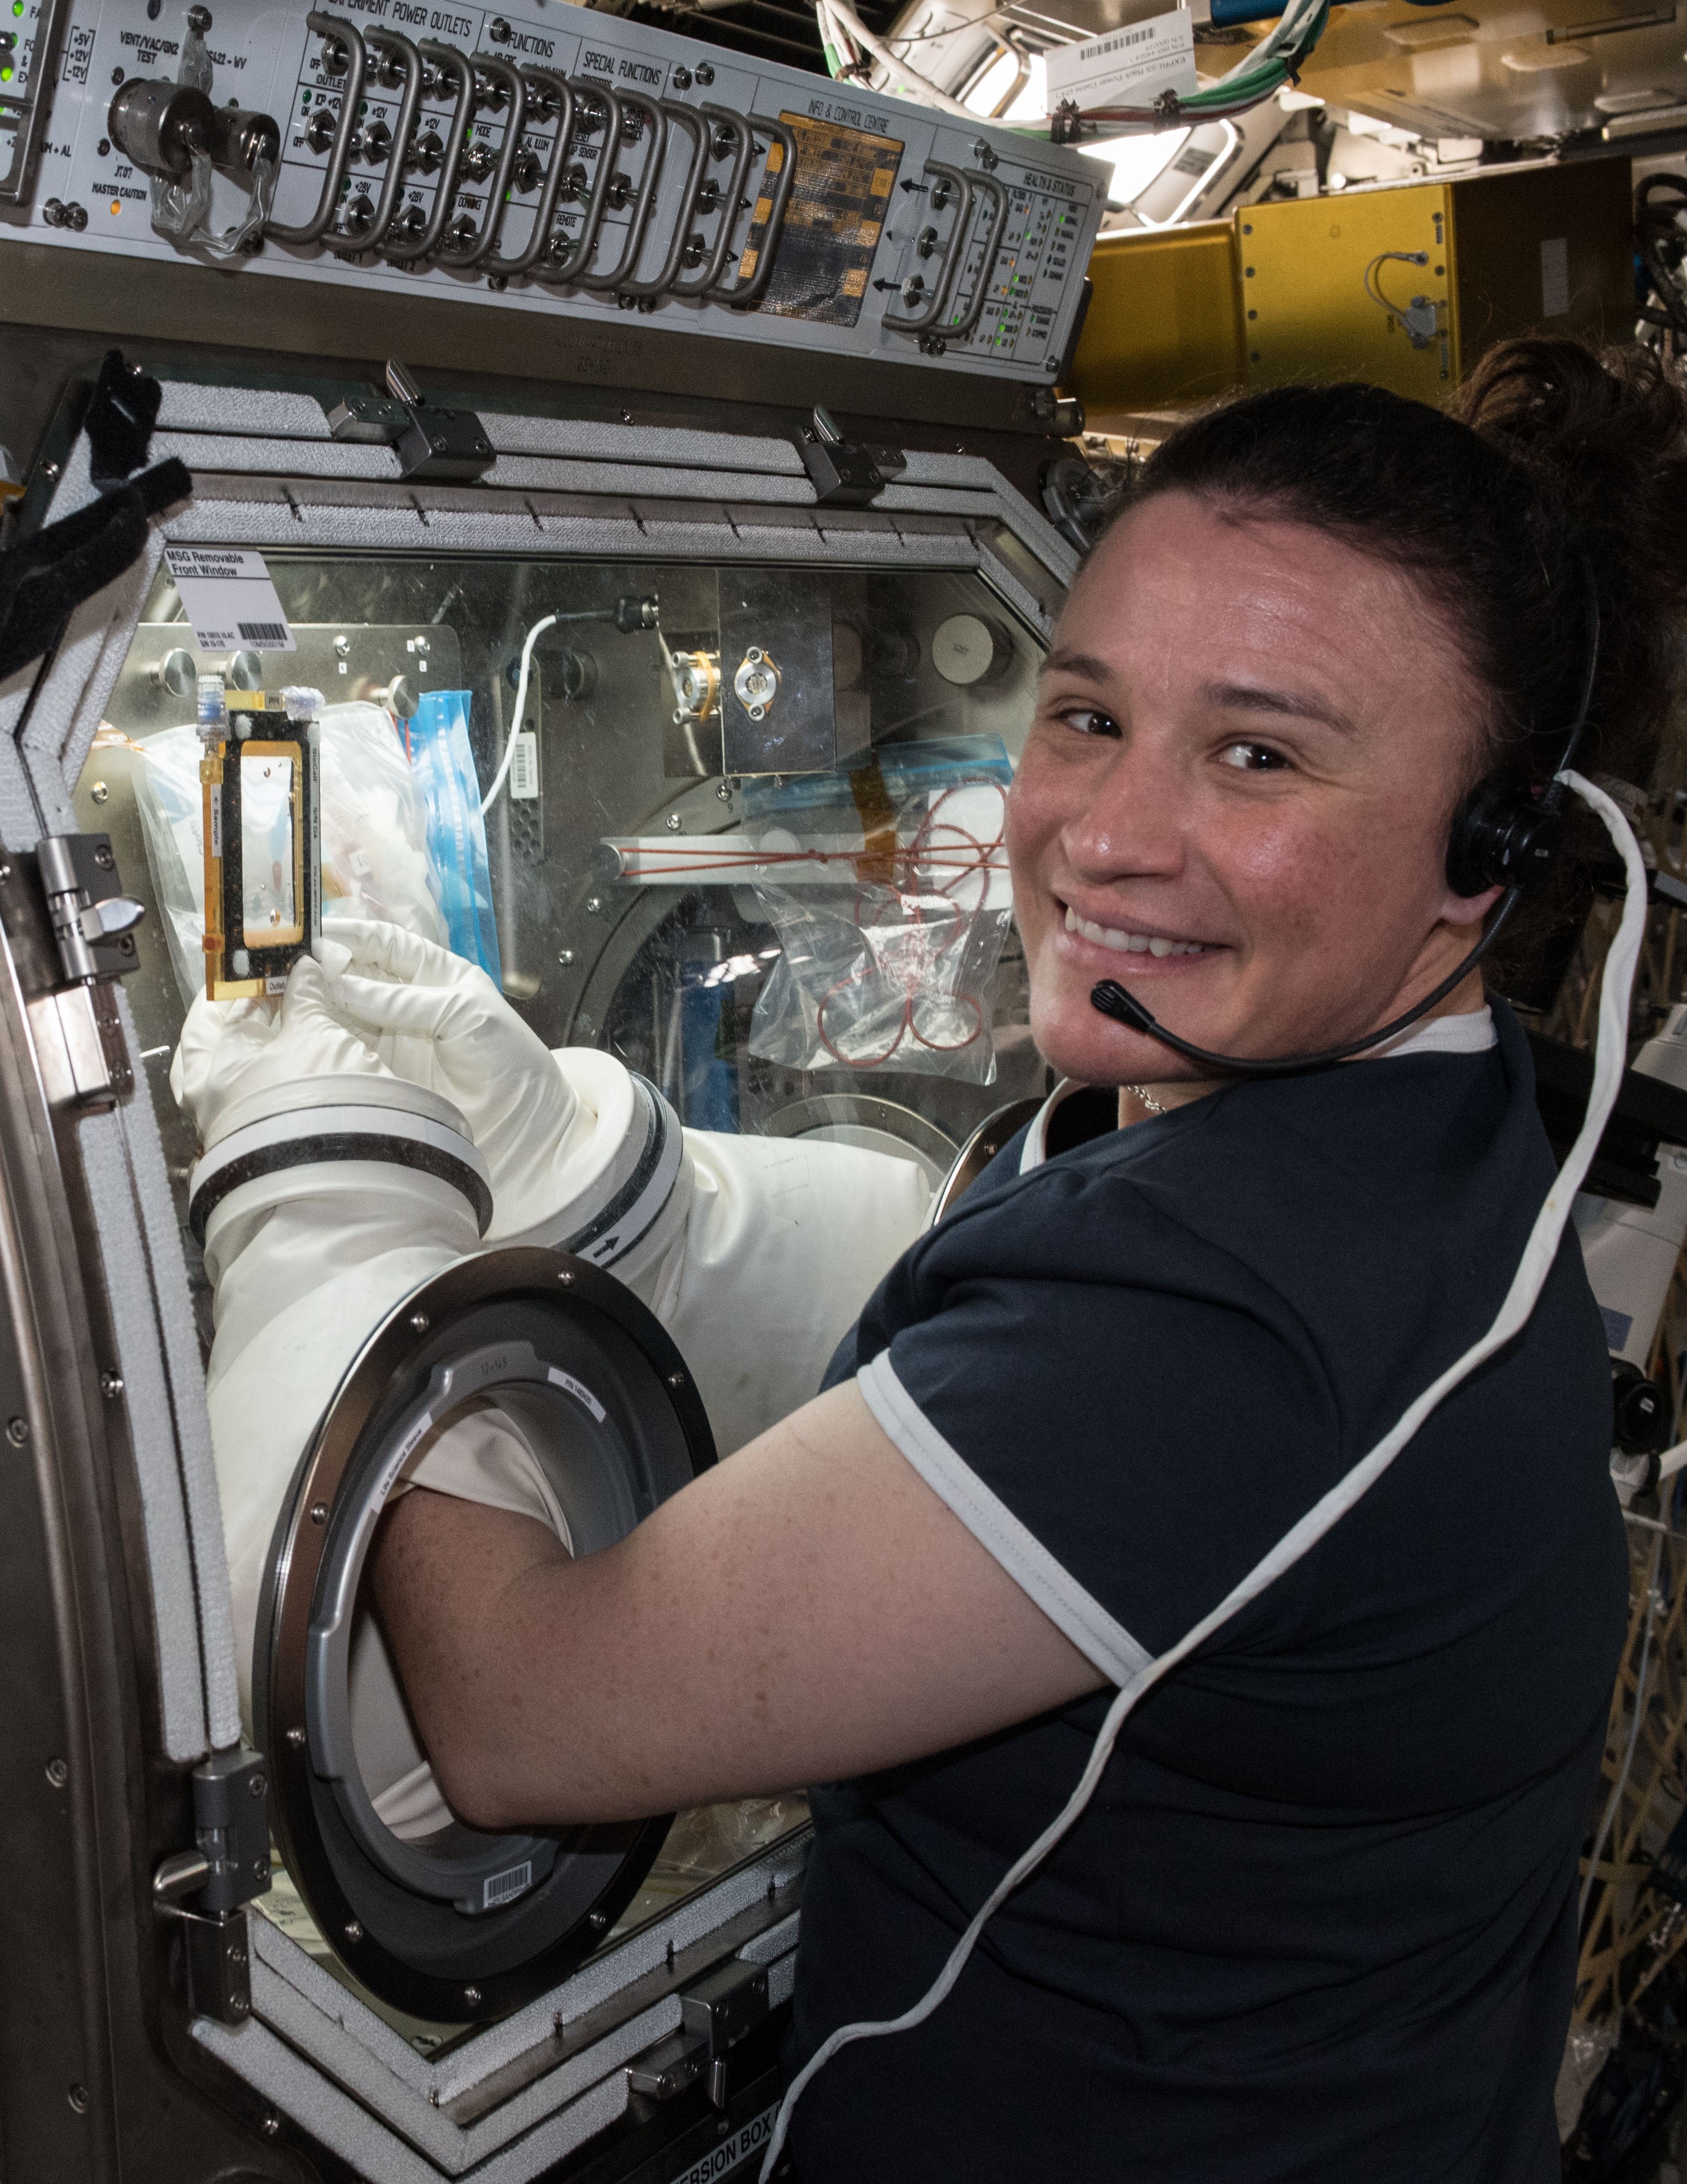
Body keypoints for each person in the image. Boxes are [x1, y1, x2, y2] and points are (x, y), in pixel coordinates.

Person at [349, 339, 1687, 2179]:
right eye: (1085, 714)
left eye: (1257, 753)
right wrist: (592, 1158)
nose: (1106, 838)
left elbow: (515, 1715)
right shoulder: (1431, 1149)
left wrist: (331, 1194)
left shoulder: (1226, 1319)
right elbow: (974, 1309)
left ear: (1488, 854)